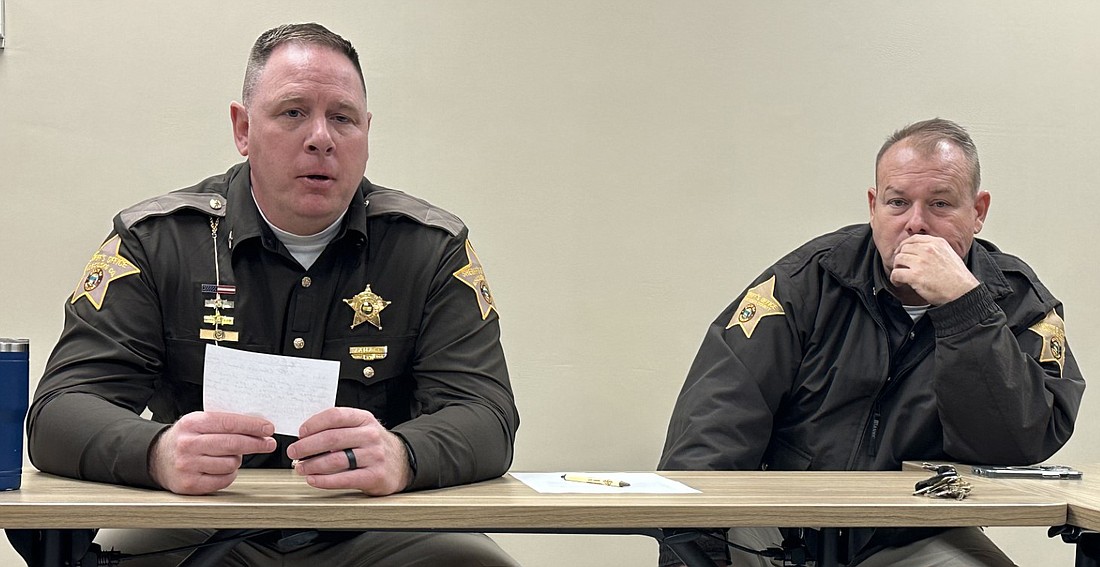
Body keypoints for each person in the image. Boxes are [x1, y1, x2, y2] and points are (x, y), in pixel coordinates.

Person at [26, 23, 521, 567]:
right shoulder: (157, 242)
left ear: (366, 131)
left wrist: (404, 455)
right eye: (292, 113)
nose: (321, 137)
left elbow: (486, 415)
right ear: (243, 128)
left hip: (371, 526)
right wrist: (158, 452)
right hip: (200, 522)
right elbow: (58, 413)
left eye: (342, 117)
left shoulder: (429, 249)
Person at [657, 118, 1084, 567]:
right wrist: (695, 539)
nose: (916, 224)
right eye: (897, 203)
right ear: (873, 205)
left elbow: (1016, 444)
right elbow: (718, 416)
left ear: (978, 211)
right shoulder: (808, 281)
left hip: (912, 532)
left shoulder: (1017, 303)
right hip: (780, 521)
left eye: (940, 204)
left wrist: (964, 310)